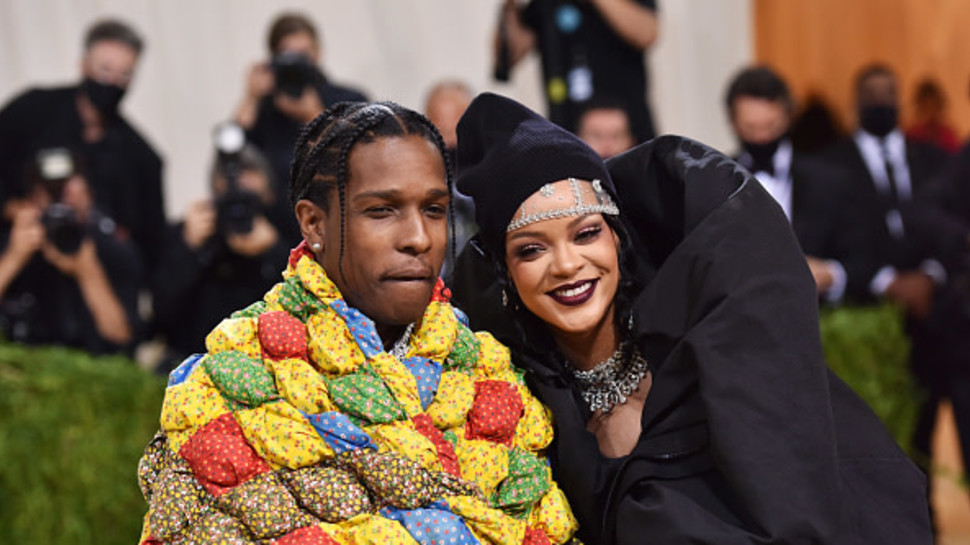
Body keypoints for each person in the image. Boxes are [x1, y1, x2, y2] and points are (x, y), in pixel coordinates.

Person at [452, 92, 931, 544]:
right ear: (507, 273)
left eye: (585, 233)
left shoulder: (709, 356)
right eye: (532, 249)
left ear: (617, 239)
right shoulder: (515, 410)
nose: (567, 264)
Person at [136, 101, 577, 544]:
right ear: (314, 223)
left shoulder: (491, 373)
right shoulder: (233, 380)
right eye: (382, 211)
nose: (418, 239)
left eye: (434, 209)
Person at [0, 19, 165, 271]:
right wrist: (15, 210)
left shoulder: (141, 158)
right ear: (83, 65)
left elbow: (147, 248)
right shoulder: (31, 111)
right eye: (105, 70)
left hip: (92, 279)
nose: (112, 82)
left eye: (124, 74)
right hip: (20, 264)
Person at [725, 66, 870, 303]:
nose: (762, 138)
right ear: (733, 123)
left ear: (788, 116)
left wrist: (830, 274)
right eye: (750, 129)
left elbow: (863, 261)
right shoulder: (717, 182)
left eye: (771, 126)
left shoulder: (830, 182)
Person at [152, 143, 291, 372]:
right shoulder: (194, 233)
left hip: (266, 364)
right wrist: (189, 249)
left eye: (250, 171)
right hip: (195, 363)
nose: (238, 183)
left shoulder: (285, 230)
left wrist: (273, 252)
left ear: (269, 191)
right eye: (228, 174)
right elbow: (161, 314)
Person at [234, 12, 368, 246]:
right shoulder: (266, 110)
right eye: (289, 56)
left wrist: (313, 115)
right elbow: (233, 151)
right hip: (279, 235)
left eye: (303, 55)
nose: (298, 63)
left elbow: (364, 156)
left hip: (341, 226)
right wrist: (251, 98)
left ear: (317, 52)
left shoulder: (348, 99)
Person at [0, 149, 140, 354]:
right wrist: (13, 259)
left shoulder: (113, 249)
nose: (60, 201)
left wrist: (88, 271)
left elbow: (123, 338)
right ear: (31, 199)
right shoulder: (15, 245)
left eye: (66, 190)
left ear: (89, 194)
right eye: (50, 191)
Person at [493, 0, 658, 142]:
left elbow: (647, 32)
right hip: (567, 130)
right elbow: (510, 54)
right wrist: (509, 5)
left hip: (624, 130)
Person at [424, 80, 477, 276]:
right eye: (438, 123)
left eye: (455, 120)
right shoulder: (419, 174)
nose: (447, 136)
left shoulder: (490, 170)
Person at [906, 78, 959, 155]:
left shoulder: (948, 136)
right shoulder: (913, 135)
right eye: (926, 108)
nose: (931, 113)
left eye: (934, 107)